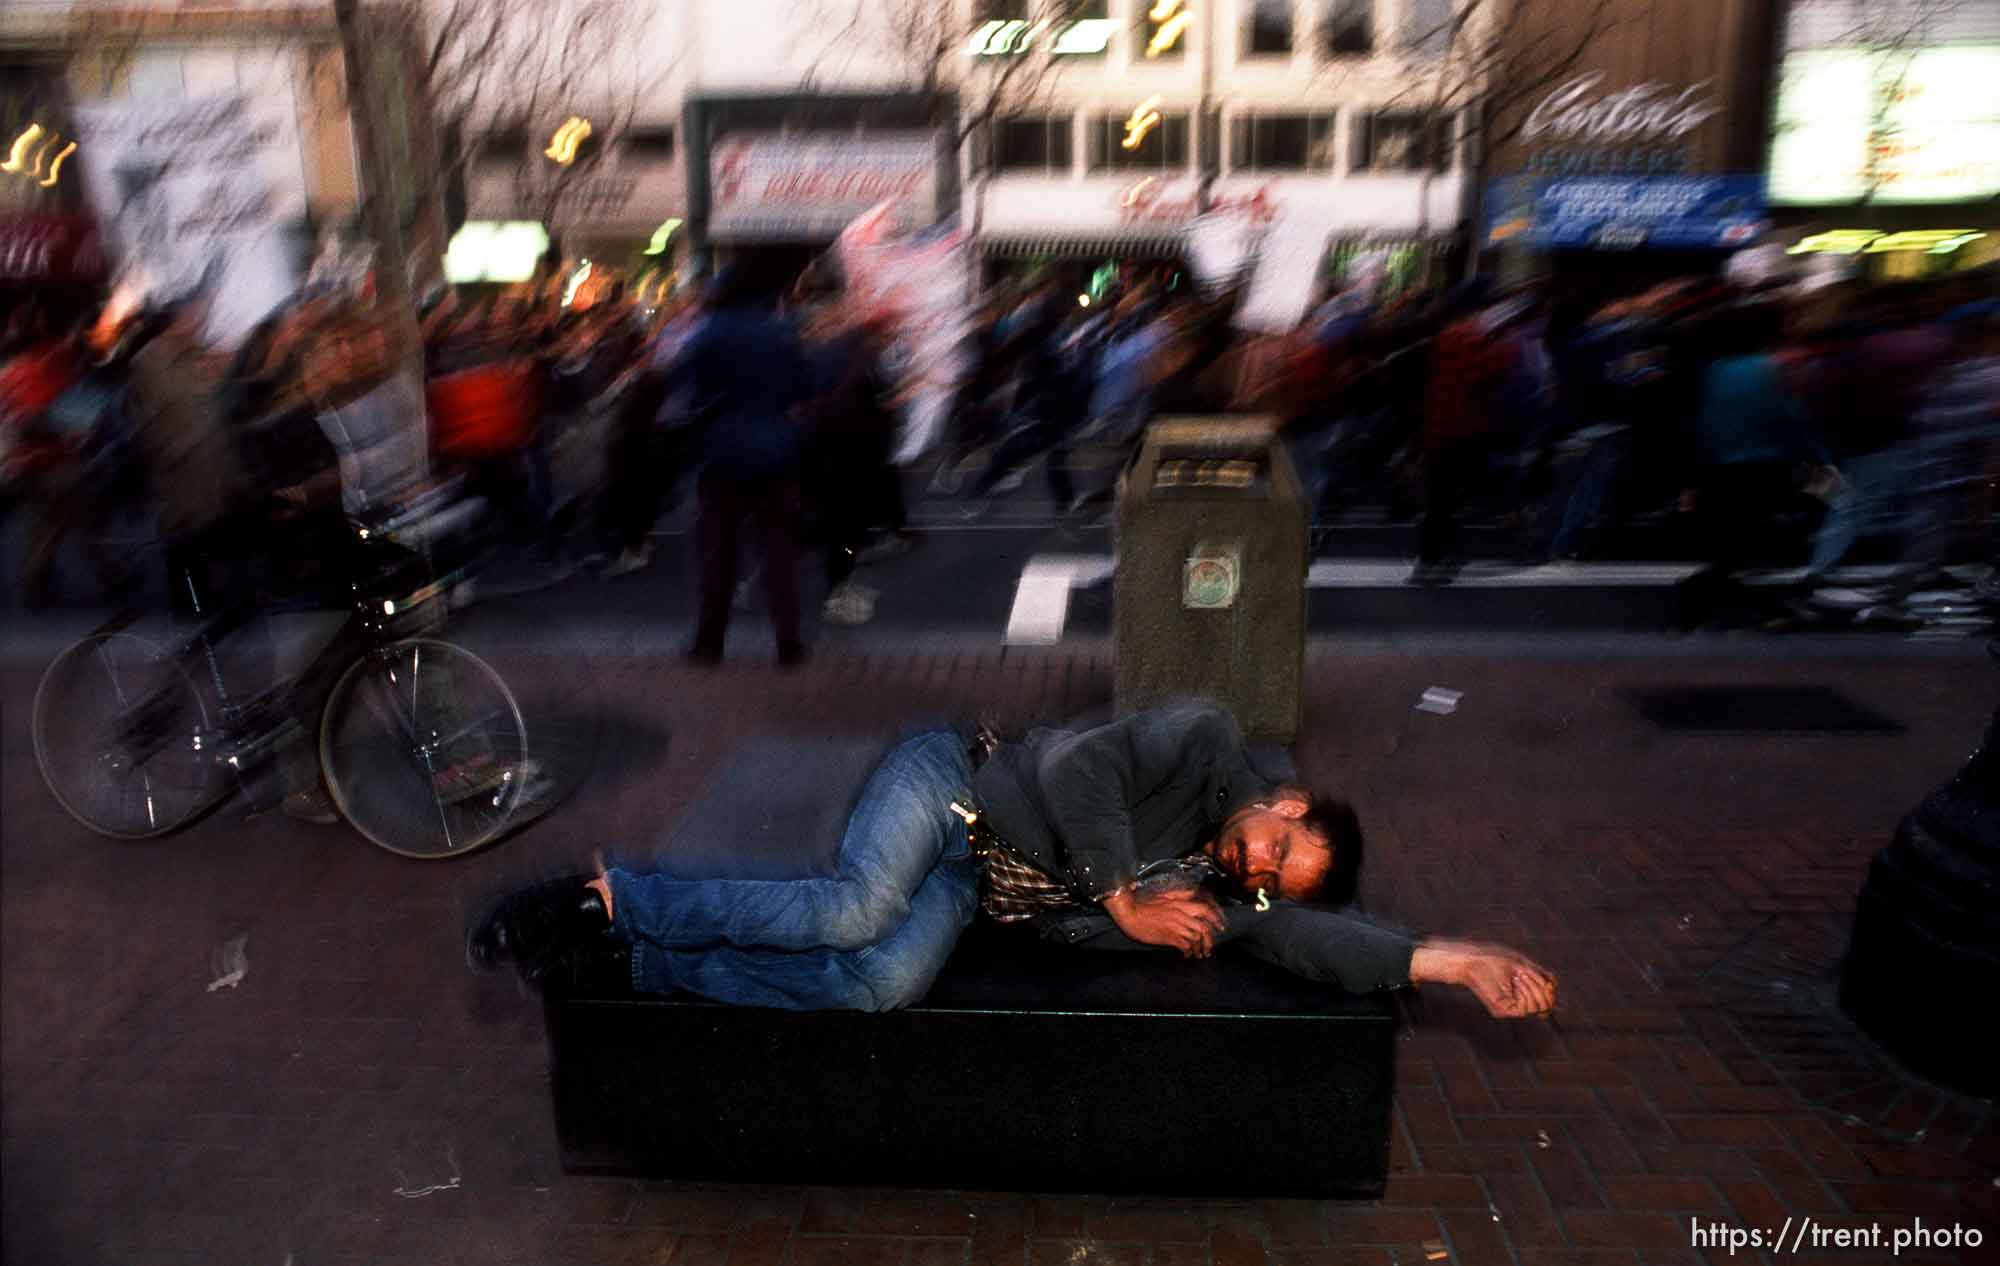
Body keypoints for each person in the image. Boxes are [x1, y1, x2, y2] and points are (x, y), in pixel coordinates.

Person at [468, 700, 1557, 1019]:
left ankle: (639, 968)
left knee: (879, 984)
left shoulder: (1230, 893)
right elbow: (1080, 766)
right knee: (851, 912)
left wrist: (1449, 963)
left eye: (1272, 877)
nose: (1257, 866)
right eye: (1278, 843)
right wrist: (1125, 898)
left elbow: (1314, 940)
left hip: (972, 884)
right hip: (953, 785)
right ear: (1286, 801)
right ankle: (608, 896)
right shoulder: (1206, 741)